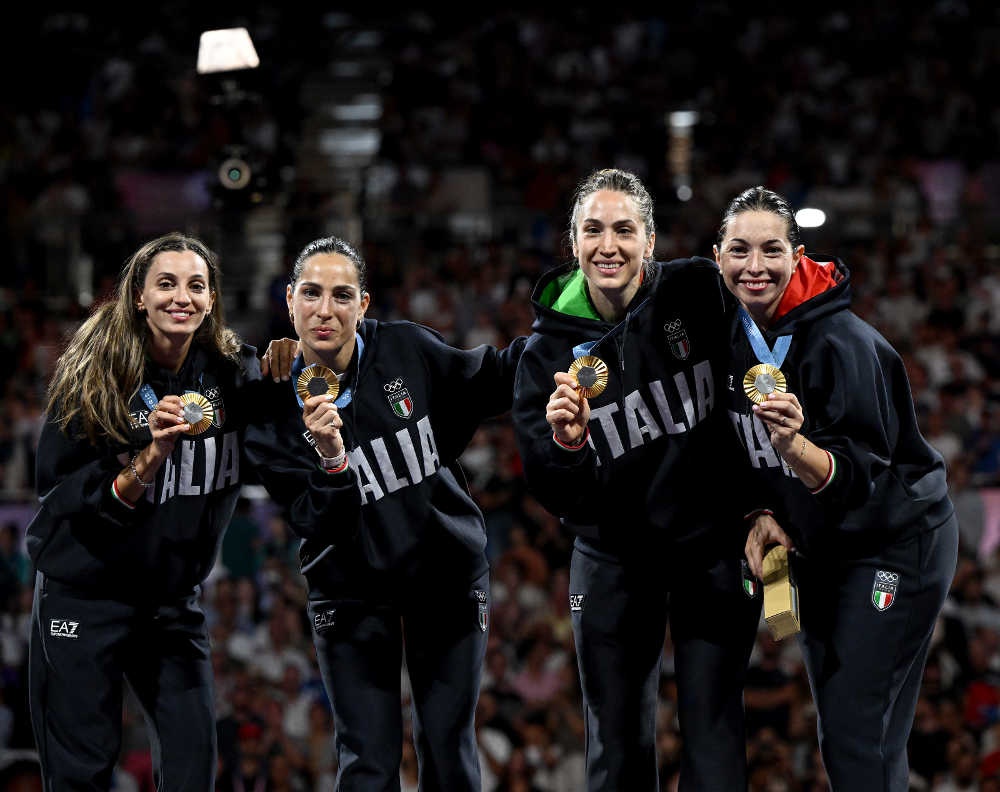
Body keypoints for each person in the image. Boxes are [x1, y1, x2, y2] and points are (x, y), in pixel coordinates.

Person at [25, 233, 331, 791]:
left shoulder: (235, 377)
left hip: (169, 604)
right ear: (137, 296)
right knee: (80, 773)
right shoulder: (95, 379)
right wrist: (148, 458)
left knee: (193, 763)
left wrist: (297, 367)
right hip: (85, 596)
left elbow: (293, 435)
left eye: (196, 285)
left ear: (213, 299)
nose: (181, 297)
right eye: (165, 283)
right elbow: (57, 497)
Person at [244, 236, 525, 791]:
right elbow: (317, 521)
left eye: (342, 295)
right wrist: (330, 462)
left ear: (364, 304)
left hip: (444, 573)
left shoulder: (404, 348)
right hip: (349, 588)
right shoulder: (269, 409)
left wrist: (567, 331)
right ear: (290, 299)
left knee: (447, 748)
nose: (326, 310)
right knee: (367, 761)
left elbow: (489, 378)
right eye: (312, 293)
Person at [510, 168, 760, 791]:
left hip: (711, 548)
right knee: (617, 741)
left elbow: (765, 342)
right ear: (572, 244)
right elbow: (555, 491)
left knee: (714, 733)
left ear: (651, 241)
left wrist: (763, 503)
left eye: (625, 230)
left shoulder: (698, 290)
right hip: (613, 559)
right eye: (593, 230)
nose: (609, 246)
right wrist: (568, 447)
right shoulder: (544, 356)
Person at [716, 186, 958, 791]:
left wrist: (796, 448)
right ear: (716, 256)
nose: (755, 266)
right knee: (852, 738)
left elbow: (858, 478)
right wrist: (760, 510)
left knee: (856, 736)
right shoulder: (729, 333)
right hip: (822, 548)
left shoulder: (842, 345)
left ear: (797, 256)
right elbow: (740, 453)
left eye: (772, 250)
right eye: (739, 250)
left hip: (893, 549)